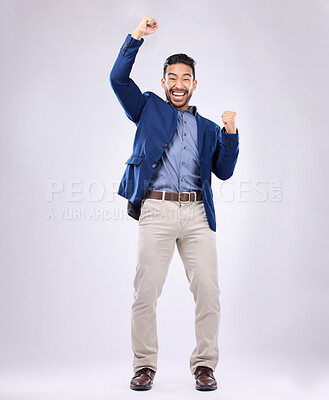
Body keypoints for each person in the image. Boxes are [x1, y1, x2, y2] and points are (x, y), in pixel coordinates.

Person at [109, 15, 239, 391]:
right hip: (156, 210)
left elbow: (224, 171)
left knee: (209, 291)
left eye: (186, 79)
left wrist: (230, 135)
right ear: (163, 82)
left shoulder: (209, 128)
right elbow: (118, 79)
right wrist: (136, 37)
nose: (179, 84)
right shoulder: (147, 107)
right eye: (172, 78)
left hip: (198, 214)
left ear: (194, 84)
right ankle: (144, 366)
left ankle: (204, 366)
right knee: (146, 291)